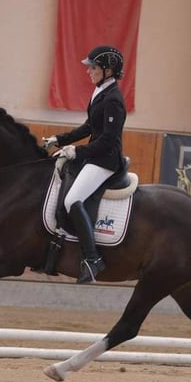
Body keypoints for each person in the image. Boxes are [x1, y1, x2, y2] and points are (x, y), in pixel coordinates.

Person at [44, 45, 127, 284]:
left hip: (105, 161)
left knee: (72, 200)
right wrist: (60, 139)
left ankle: (93, 259)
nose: (88, 71)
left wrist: (76, 151)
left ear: (108, 70)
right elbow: (90, 127)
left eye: (93, 67)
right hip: (94, 156)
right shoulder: (100, 91)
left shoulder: (114, 100)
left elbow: (108, 140)